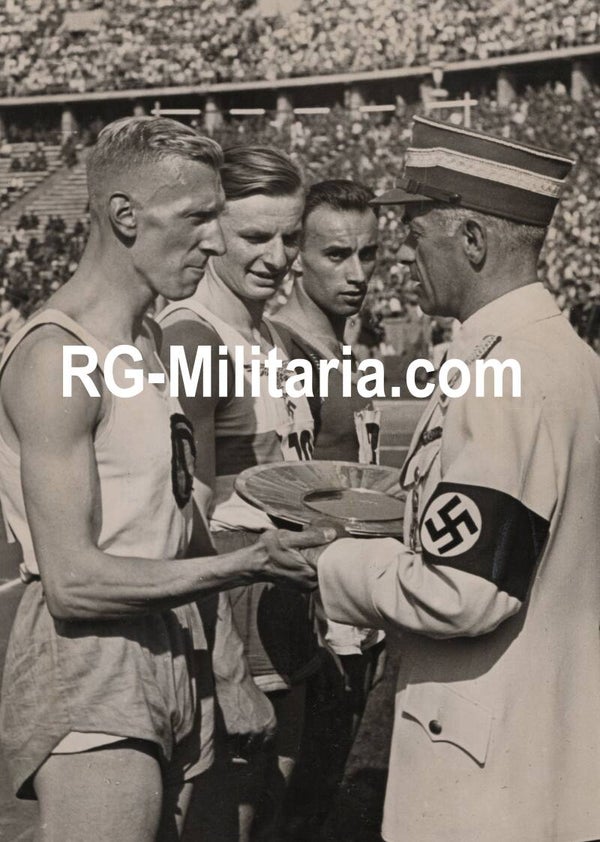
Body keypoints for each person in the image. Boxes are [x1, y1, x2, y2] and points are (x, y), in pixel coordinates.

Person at [0, 117, 331, 842]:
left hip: (175, 638)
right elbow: (72, 580)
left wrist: (222, 667)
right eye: (198, 218)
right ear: (125, 216)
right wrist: (237, 566)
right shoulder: (59, 356)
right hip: (92, 655)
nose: (214, 240)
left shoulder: (147, 339)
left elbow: (177, 518)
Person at [277, 116, 600, 842]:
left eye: (418, 239)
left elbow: (464, 590)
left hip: (484, 760)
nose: (403, 264)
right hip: (542, 737)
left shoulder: (506, 375)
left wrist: (332, 564)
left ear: (474, 242)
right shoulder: (563, 358)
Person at [158, 145, 318, 840]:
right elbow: (182, 517)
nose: (279, 256)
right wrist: (226, 671)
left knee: (274, 810)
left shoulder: (271, 335)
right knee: (234, 820)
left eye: (289, 236)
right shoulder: (192, 336)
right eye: (256, 237)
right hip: (231, 610)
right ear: (212, 231)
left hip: (284, 603)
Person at [271, 178, 387, 837]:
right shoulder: (288, 352)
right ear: (297, 256)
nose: (358, 273)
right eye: (336, 255)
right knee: (307, 806)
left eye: (368, 254)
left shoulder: (348, 350)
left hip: (362, 607)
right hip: (322, 619)